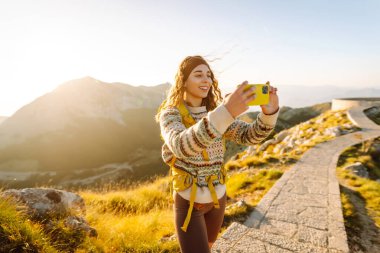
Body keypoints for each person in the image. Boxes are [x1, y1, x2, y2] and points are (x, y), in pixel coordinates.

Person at [155, 55, 279, 253]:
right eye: (198, 75)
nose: (206, 80)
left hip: (218, 200)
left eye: (208, 75)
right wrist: (227, 110)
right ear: (183, 81)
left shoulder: (214, 112)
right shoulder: (171, 114)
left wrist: (269, 113)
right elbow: (181, 146)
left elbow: (250, 136)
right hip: (189, 202)